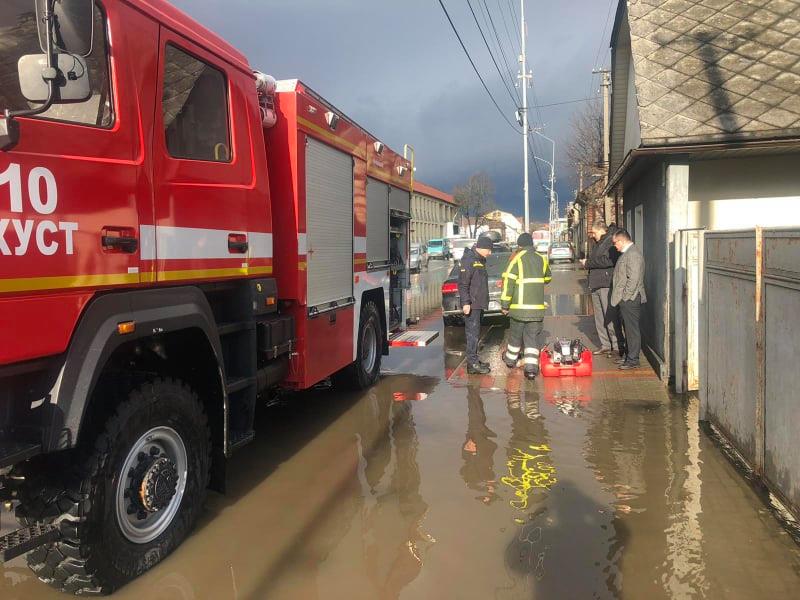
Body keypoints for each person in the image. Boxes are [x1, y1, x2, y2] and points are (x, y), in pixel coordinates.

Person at [500, 233, 552, 380]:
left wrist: (504, 305)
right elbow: (548, 277)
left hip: (518, 308)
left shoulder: (517, 259)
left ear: (520, 245)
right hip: (536, 309)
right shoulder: (542, 259)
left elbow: (508, 283)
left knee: (515, 335)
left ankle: (510, 360)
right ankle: (531, 369)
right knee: (532, 339)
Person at [580, 221, 623, 357]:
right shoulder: (598, 243)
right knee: (599, 318)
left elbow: (608, 261)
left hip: (606, 284)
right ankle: (605, 345)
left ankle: (616, 346)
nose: (592, 235)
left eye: (594, 232)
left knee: (610, 316)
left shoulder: (611, 241)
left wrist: (587, 263)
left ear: (601, 230)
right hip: (595, 284)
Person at [610, 228, 646, 370]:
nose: (615, 246)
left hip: (630, 299)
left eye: (615, 243)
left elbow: (634, 278)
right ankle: (628, 356)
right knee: (628, 329)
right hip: (627, 299)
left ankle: (633, 360)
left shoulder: (633, 254)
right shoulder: (627, 253)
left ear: (621, 240)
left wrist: (625, 297)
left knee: (632, 330)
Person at [459, 235, 494, 374]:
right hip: (472, 304)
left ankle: (473, 361)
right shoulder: (469, 260)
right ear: (482, 247)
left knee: (476, 333)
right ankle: (472, 364)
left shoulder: (480, 259)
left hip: (478, 303)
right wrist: (465, 303)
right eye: (489, 250)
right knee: (472, 334)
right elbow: (463, 284)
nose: (490, 253)